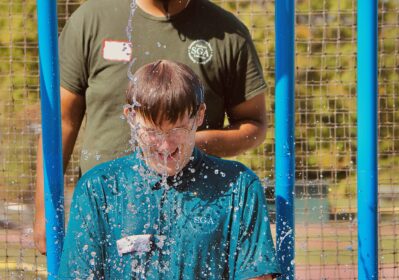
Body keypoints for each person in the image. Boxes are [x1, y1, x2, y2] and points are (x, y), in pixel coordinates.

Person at [35, 0, 268, 254]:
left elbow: (253, 125)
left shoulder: (227, 32)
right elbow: (61, 122)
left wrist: (186, 141)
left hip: (194, 217)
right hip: (108, 212)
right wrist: (45, 212)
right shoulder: (91, 19)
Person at [58, 60, 280, 279]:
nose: (165, 146)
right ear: (131, 117)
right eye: (152, 131)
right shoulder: (99, 188)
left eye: (178, 129)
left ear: (199, 115)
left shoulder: (238, 186)